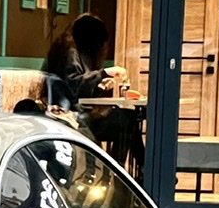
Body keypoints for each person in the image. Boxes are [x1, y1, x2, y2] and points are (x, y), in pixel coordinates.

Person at [44, 14, 144, 176]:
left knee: (127, 118)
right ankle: (119, 169)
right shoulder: (70, 52)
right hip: (70, 114)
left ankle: (116, 170)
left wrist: (99, 86)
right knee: (126, 120)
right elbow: (74, 84)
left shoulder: (73, 51)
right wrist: (104, 73)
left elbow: (77, 88)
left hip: (76, 110)